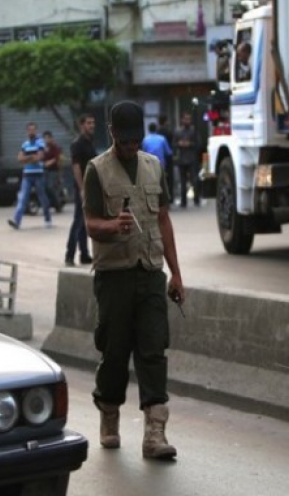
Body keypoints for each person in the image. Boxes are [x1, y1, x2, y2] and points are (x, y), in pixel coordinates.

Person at [83, 100, 184, 459]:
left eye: (135, 140)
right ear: (111, 133)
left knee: (153, 349)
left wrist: (176, 273)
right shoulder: (97, 170)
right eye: (124, 140)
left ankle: (155, 433)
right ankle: (109, 414)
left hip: (150, 273)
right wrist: (113, 226)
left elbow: (163, 220)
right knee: (114, 352)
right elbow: (90, 223)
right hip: (114, 277)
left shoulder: (154, 165)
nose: (130, 146)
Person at [7, 122, 51, 229]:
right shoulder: (25, 144)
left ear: (36, 130)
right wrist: (31, 157)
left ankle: (47, 219)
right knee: (23, 198)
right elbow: (19, 158)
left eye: (33, 129)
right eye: (30, 130)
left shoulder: (40, 142)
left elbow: (39, 157)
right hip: (27, 175)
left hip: (38, 174)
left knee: (42, 197)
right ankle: (17, 221)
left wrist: (26, 158)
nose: (31, 131)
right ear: (27, 131)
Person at [64, 113, 95, 266]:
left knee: (84, 221)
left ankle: (84, 254)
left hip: (90, 186)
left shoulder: (89, 142)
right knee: (78, 221)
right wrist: (81, 188)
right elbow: (76, 167)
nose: (92, 125)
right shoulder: (77, 144)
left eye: (93, 122)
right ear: (81, 125)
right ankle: (69, 255)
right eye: (89, 123)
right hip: (82, 187)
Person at [174, 112, 201, 208]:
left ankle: (196, 199)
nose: (187, 121)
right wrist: (179, 144)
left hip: (192, 159)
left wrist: (190, 144)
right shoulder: (178, 131)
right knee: (183, 181)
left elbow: (199, 144)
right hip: (182, 159)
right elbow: (174, 144)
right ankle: (183, 201)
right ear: (182, 120)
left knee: (195, 180)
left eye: (188, 119)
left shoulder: (193, 131)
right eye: (185, 119)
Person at [42, 131, 63, 211]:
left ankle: (57, 204)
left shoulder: (55, 147)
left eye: (48, 138)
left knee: (50, 187)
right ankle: (48, 203)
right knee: (43, 187)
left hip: (54, 170)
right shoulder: (43, 148)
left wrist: (49, 162)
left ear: (51, 138)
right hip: (45, 170)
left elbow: (57, 158)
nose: (46, 140)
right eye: (45, 138)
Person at [157, 115, 175, 201]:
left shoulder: (157, 132)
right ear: (165, 121)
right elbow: (171, 144)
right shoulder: (169, 131)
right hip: (167, 157)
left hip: (158, 158)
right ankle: (170, 197)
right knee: (169, 178)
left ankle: (161, 197)